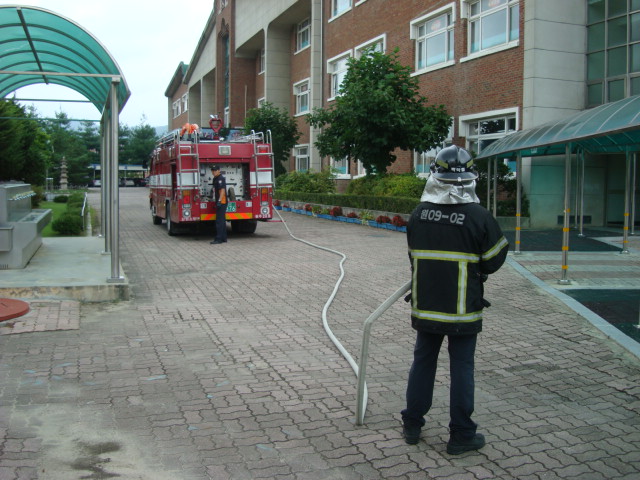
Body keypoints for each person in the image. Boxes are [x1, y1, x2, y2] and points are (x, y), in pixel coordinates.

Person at [401, 145, 509, 454]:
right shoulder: (479, 217)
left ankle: (412, 424)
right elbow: (494, 260)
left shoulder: (419, 214)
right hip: (463, 310)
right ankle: (461, 435)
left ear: (434, 176)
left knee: (423, 362)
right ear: (470, 179)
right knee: (462, 367)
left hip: (427, 306)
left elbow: (413, 256)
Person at [210, 165, 228, 244]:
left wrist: (219, 201)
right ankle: (224, 238)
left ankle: (218, 239)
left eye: (215, 170)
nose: (213, 172)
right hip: (220, 201)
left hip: (222, 202)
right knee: (222, 221)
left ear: (219, 170)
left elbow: (222, 190)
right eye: (212, 170)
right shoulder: (216, 178)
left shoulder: (220, 178)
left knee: (219, 221)